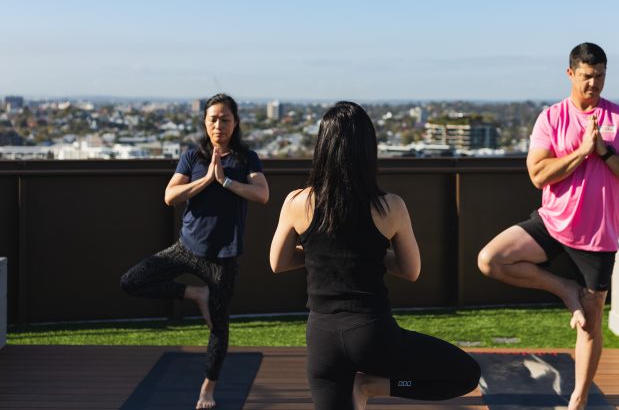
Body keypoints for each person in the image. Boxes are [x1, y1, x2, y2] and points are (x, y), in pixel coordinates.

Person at [270, 101, 480, 410]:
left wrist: (323, 256)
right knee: (463, 375)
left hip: (322, 341)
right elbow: (411, 270)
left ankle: (368, 385)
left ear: (322, 147)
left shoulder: (297, 202)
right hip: (373, 336)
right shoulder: (390, 206)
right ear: (369, 151)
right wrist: (368, 255)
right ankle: (375, 385)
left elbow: (278, 262)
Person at [477, 42, 619, 410]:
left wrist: (604, 152)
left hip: (598, 237)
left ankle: (578, 399)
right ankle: (564, 289)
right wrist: (581, 152)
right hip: (553, 222)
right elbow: (538, 175)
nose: (595, 84)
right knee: (491, 259)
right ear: (571, 74)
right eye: (587, 76)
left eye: (601, 76)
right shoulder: (551, 118)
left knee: (589, 327)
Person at [120, 93, 269, 410]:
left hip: (222, 260)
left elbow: (262, 194)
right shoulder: (193, 157)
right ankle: (194, 294)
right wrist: (206, 182)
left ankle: (207, 390)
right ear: (205, 121)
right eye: (213, 118)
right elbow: (170, 196)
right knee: (132, 281)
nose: (219, 124)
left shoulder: (246, 159)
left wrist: (225, 181)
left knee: (218, 328)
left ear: (236, 122)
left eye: (225, 118)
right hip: (186, 249)